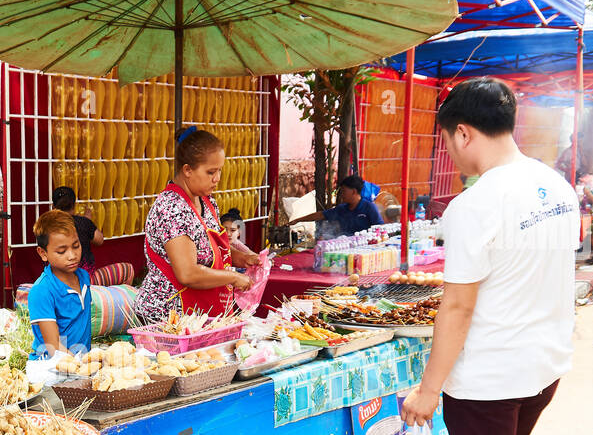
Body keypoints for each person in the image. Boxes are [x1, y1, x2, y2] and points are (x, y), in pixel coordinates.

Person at [400, 78, 579, 435]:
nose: (452, 154)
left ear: (463, 132)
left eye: (449, 142)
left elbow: (457, 308)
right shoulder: (556, 188)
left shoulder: (476, 205)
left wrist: (428, 391)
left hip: (489, 376)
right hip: (545, 366)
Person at [134, 128, 257, 325]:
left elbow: (212, 251)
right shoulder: (172, 209)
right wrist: (232, 277)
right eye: (210, 172)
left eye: (219, 170)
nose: (217, 178)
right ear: (187, 170)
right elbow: (188, 273)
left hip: (199, 313)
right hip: (169, 318)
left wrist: (244, 259)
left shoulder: (206, 202)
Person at [28, 210, 91, 358]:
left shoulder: (84, 277)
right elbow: (53, 346)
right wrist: (80, 367)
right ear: (43, 253)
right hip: (51, 367)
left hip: (79, 362)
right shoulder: (42, 291)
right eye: (62, 251)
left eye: (76, 246)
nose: (72, 255)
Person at [51, 186, 134, 287]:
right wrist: (88, 221)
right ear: (74, 205)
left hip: (56, 282)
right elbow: (99, 240)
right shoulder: (83, 223)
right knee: (127, 269)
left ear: (53, 207)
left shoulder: (47, 227)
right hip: (85, 282)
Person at [287, 174, 383, 238]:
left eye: (344, 191)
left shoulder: (369, 208)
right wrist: (298, 220)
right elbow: (321, 215)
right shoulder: (342, 209)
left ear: (354, 191)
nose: (341, 194)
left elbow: (380, 229)